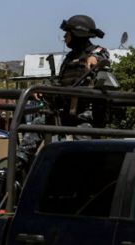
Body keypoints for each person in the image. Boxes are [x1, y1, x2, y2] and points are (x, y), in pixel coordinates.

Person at [16, 15, 110, 174]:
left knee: (86, 156)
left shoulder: (96, 52)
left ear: (78, 34)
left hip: (84, 115)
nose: (65, 38)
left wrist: (94, 59)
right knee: (38, 124)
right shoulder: (69, 59)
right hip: (63, 112)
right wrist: (44, 90)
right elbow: (59, 83)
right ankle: (18, 165)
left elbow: (102, 56)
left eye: (68, 34)